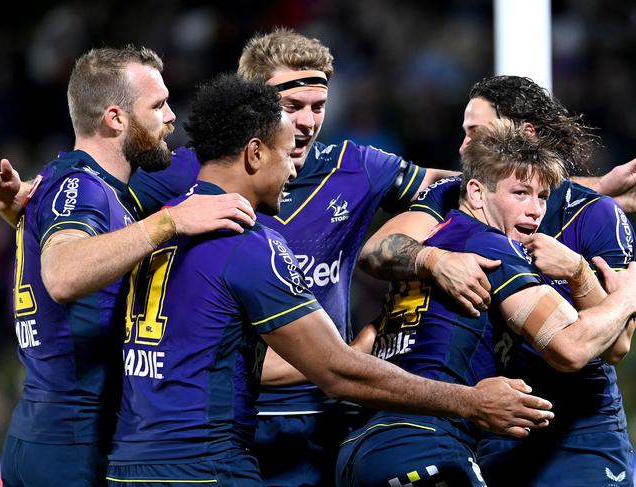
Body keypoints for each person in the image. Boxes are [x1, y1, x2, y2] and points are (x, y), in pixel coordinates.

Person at [105, 73, 555, 487]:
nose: (295, 170)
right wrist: (470, 402)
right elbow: (337, 372)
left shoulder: (160, 225)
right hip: (206, 468)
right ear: (255, 152)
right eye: (287, 154)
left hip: (127, 463)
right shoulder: (248, 243)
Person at [357, 75, 636, 486]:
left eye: (475, 131)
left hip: (579, 433)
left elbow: (617, 345)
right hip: (491, 428)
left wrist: (578, 273)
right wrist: (432, 259)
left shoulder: (596, 216)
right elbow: (373, 251)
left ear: (523, 135)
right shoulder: (457, 201)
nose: (463, 146)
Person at [0, 46, 256, 487]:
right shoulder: (86, 190)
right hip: (75, 444)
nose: (171, 117)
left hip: (37, 434)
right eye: (157, 105)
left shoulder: (56, 180)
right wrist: (170, 221)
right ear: (116, 118)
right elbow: (61, 275)